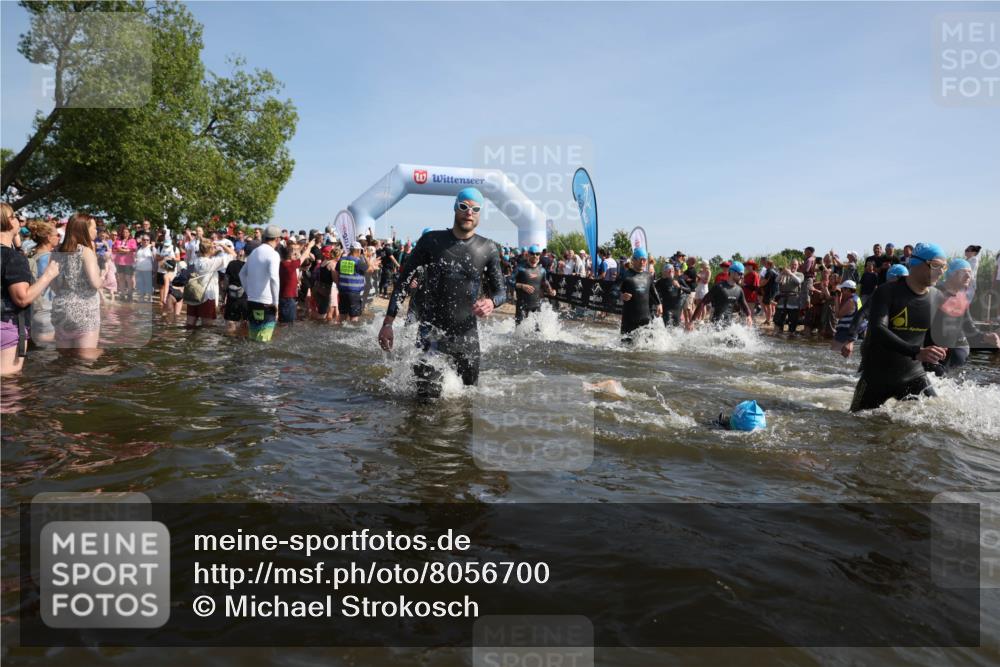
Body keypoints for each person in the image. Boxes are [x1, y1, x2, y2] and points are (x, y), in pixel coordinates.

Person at [378, 187, 506, 398]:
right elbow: (403, 282)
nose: (469, 212)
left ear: (480, 213)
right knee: (425, 401)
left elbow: (501, 291)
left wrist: (492, 302)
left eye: (475, 209)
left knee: (467, 401)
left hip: (467, 338)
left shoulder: (488, 247)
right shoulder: (432, 241)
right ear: (455, 208)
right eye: (464, 206)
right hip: (431, 335)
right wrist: (388, 323)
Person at [849, 243, 949, 412]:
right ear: (916, 263)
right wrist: (916, 351)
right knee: (856, 427)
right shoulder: (887, 291)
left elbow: (933, 338)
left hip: (913, 375)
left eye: (944, 267)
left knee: (940, 418)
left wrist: (939, 351)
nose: (940, 271)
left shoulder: (937, 297)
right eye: (935, 265)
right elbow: (878, 329)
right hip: (876, 377)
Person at [1, 203, 60, 375]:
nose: (18, 220)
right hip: (7, 327)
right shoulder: (13, 258)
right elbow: (22, 298)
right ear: (8, 222)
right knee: (7, 389)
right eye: (14, 217)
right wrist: (48, 275)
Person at [928, 258, 1000, 371]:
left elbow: (969, 328)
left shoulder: (961, 297)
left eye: (970, 273)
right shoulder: (934, 294)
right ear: (951, 274)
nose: (968, 276)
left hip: (953, 356)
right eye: (963, 272)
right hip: (933, 354)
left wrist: (986, 336)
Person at [51, 213, 103, 357]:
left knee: (64, 359)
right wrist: (103, 277)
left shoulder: (56, 251)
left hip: (62, 309)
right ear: (84, 230)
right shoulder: (85, 252)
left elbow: (52, 283)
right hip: (85, 312)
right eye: (94, 228)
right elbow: (95, 283)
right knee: (85, 360)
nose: (96, 231)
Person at [239, 225, 282, 342]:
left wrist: (249, 292)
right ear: (277, 239)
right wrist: (276, 303)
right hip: (267, 303)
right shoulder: (273, 254)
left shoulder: (254, 252)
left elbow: (241, 274)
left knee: (253, 337)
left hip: (252, 301)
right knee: (264, 340)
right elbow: (274, 278)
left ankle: (250, 360)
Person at [184, 238, 235, 327]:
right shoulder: (211, 263)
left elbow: (206, 254)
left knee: (189, 326)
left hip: (192, 295)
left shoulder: (193, 261)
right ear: (210, 249)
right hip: (207, 297)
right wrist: (222, 245)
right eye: (213, 248)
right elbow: (233, 255)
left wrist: (213, 249)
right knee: (207, 329)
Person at [25, 219, 60, 345]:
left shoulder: (31, 255)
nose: (59, 238)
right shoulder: (49, 258)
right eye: (57, 235)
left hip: (33, 312)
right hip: (48, 313)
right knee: (48, 357)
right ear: (49, 238)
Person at [690, 261, 752, 327]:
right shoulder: (719, 287)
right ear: (732, 273)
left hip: (729, 325)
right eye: (740, 274)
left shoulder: (739, 290)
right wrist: (692, 321)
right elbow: (703, 303)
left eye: (743, 274)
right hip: (715, 326)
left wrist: (749, 316)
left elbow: (744, 304)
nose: (742, 276)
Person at [620, 248, 661, 341]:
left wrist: (659, 304)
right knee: (625, 351)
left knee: (648, 350)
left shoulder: (648, 276)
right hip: (629, 320)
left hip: (645, 319)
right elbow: (613, 291)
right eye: (640, 259)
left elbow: (653, 291)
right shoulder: (626, 275)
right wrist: (622, 296)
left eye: (644, 260)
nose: (643, 262)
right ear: (634, 260)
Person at [513, 244, 555, 326]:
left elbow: (545, 282)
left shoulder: (542, 270)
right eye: (532, 253)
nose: (535, 256)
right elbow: (509, 281)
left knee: (538, 332)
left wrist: (550, 290)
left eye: (537, 254)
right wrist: (522, 286)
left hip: (536, 305)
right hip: (522, 305)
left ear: (540, 255)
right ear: (528, 255)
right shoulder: (520, 268)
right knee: (519, 334)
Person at [334, 241, 369, 323]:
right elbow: (370, 270)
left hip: (342, 292)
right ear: (358, 251)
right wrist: (367, 258)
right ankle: (352, 335)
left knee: (342, 316)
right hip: (354, 294)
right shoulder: (358, 262)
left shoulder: (341, 260)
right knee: (354, 318)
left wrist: (338, 285)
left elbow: (336, 272)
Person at [773, 260, 804, 333]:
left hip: (793, 301)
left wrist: (790, 274)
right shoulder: (784, 274)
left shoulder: (800, 274)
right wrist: (782, 273)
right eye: (792, 264)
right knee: (778, 322)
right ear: (790, 265)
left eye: (795, 265)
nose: (794, 266)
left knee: (792, 323)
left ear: (798, 266)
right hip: (782, 301)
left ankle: (791, 338)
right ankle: (778, 337)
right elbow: (776, 280)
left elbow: (798, 281)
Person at [223, 249, 248, 334]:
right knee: (245, 321)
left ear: (237, 255)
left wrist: (223, 299)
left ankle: (230, 341)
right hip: (244, 297)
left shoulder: (231, 264)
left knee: (231, 322)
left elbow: (225, 281)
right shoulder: (247, 265)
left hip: (232, 297)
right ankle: (241, 340)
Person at [278, 240, 302, 324]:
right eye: (293, 253)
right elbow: (303, 257)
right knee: (289, 323)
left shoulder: (280, 264)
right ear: (290, 255)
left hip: (282, 297)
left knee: (283, 322)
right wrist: (309, 246)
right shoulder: (290, 265)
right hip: (288, 299)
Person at [112, 225, 137, 301]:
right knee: (121, 279)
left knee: (129, 279)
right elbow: (115, 249)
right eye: (124, 232)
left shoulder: (132, 240)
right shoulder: (118, 240)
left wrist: (122, 250)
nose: (125, 233)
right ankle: (122, 294)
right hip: (119, 262)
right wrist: (126, 250)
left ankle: (129, 294)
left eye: (126, 232)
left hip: (128, 263)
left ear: (129, 233)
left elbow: (133, 249)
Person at [134, 234, 156, 302]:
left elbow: (155, 260)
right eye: (144, 240)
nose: (145, 241)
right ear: (141, 240)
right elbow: (135, 257)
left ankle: (149, 297)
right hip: (139, 269)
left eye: (147, 240)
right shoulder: (138, 248)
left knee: (148, 284)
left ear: (149, 241)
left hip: (148, 269)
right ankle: (141, 297)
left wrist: (154, 269)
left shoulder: (152, 248)